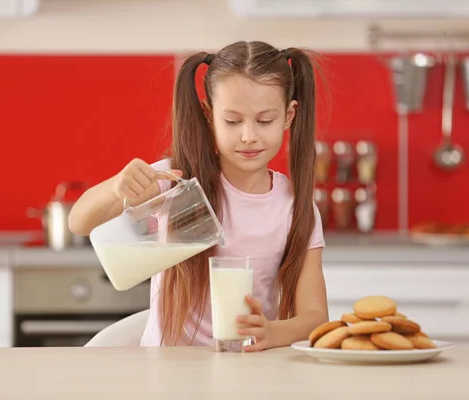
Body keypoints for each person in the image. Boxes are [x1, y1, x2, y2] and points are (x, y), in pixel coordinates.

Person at [68, 40, 329, 352]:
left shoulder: (295, 207)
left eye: (264, 120)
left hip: (250, 370)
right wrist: (116, 188)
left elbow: (316, 318)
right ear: (209, 115)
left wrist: (274, 332)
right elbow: (78, 221)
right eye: (232, 121)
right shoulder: (176, 181)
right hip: (169, 370)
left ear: (288, 116)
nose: (248, 135)